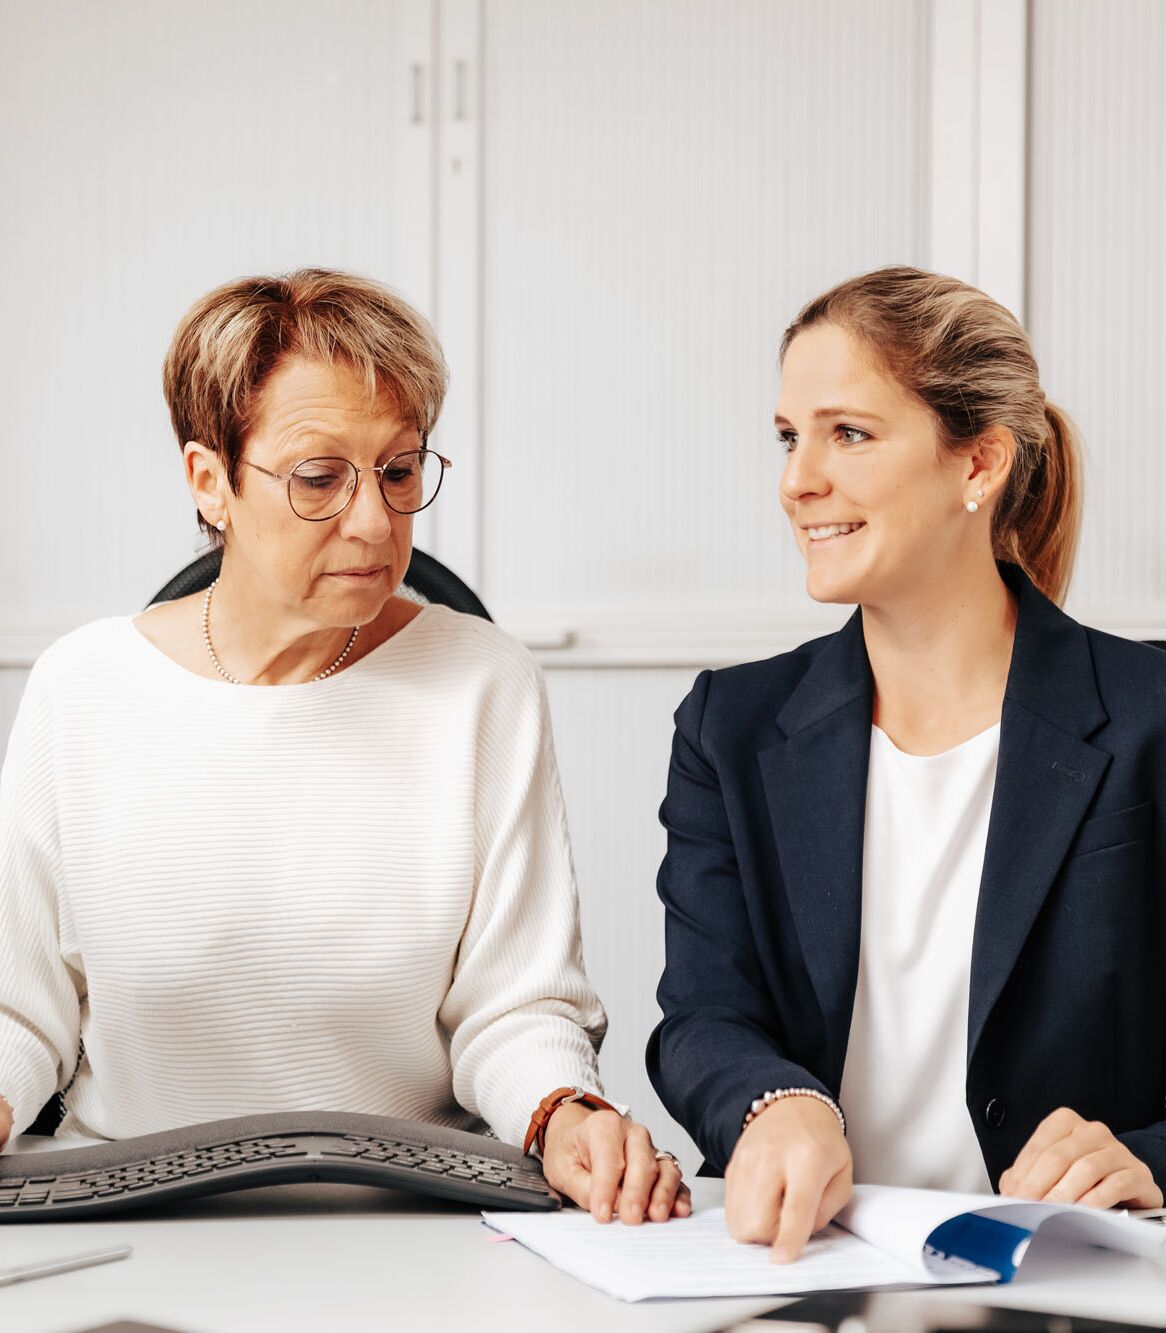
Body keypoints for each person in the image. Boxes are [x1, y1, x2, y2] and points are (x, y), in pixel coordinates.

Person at [0, 267, 689, 1226]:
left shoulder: (483, 683)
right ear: (211, 481)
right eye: (320, 478)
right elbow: (19, 1012)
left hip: (408, 1214)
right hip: (129, 1211)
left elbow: (514, 1007)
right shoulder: (82, 689)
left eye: (400, 470)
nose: (375, 521)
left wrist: (562, 1109)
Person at [646, 265, 1164, 1261]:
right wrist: (774, 1101)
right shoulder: (730, 726)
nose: (797, 479)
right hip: (807, 1268)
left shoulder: (1144, 719)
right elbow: (701, 1018)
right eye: (787, 436)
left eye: (847, 432)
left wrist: (1143, 1157)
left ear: (976, 466)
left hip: (1066, 1278)